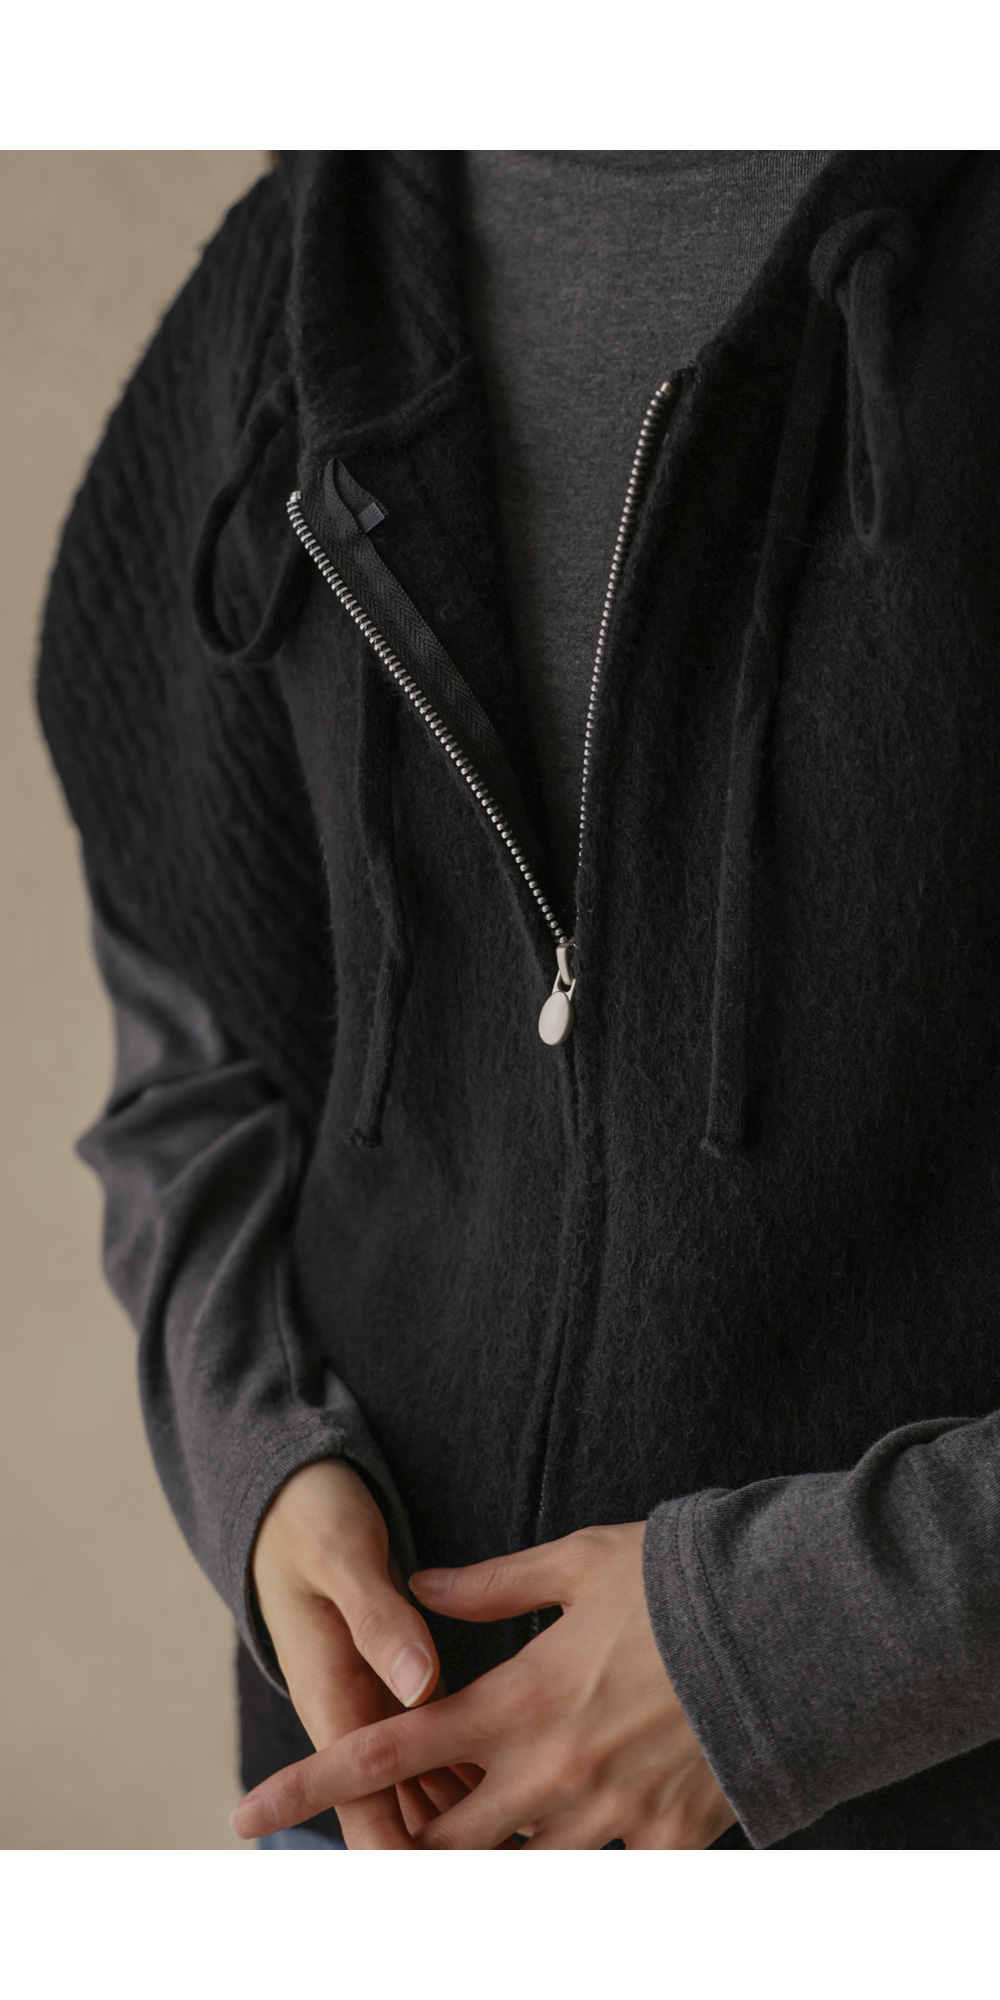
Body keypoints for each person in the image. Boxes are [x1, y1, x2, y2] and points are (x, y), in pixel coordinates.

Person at [36, 148, 1000, 1850]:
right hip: (376, 1821)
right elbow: (194, 1053)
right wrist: (268, 1467)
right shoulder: (310, 274)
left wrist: (777, 1655)